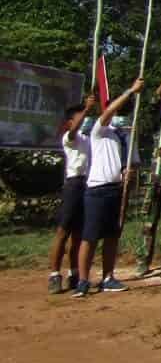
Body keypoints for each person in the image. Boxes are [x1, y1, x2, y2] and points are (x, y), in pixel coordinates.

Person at [73, 76, 143, 297]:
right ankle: (83, 281)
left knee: (112, 236)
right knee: (90, 237)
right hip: (97, 190)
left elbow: (131, 162)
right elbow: (108, 112)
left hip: (116, 189)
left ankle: (108, 277)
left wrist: (129, 173)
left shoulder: (122, 135)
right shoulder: (99, 129)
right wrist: (130, 91)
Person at [48, 94, 94, 294]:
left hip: (88, 184)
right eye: (79, 118)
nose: (84, 121)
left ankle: (74, 272)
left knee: (79, 233)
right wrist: (87, 109)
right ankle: (54, 274)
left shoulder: (88, 138)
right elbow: (75, 129)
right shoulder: (69, 138)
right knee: (63, 230)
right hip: (73, 185)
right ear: (69, 123)